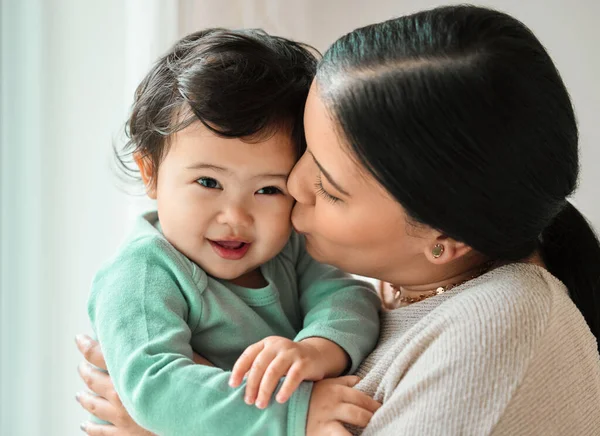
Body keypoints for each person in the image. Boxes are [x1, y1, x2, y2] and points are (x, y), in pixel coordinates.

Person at [76, 5, 600, 435]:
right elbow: (157, 386)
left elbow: (343, 303)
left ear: (445, 236)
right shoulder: (399, 276)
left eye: (325, 185)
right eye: (304, 156)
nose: (292, 190)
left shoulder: (492, 331)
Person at [83, 28, 382, 436]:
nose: (235, 217)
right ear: (150, 173)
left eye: (268, 190)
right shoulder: (143, 273)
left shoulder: (287, 249)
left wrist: (315, 350)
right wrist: (297, 412)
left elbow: (350, 297)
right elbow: (156, 389)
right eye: (208, 183)